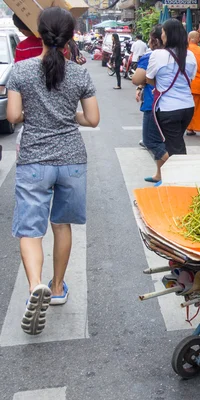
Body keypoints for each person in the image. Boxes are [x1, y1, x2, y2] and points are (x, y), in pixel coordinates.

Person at [6, 7, 99, 335]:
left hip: (34, 160)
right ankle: (57, 287)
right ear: (70, 36)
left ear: (39, 33)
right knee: (62, 226)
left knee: (30, 230)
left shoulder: (20, 69)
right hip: (72, 161)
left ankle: (35, 287)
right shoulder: (79, 74)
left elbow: (14, 116)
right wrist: (67, 116)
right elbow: (92, 119)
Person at [146, 19, 197, 180]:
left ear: (168, 35)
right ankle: (172, 177)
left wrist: (161, 84)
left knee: (175, 146)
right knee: (175, 141)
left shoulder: (158, 55)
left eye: (163, 33)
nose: (161, 36)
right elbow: (191, 77)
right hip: (188, 107)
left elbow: (149, 78)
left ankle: (181, 181)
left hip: (168, 108)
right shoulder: (190, 55)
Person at [133, 25, 168, 183]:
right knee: (163, 141)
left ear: (155, 40)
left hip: (153, 103)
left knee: (150, 140)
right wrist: (142, 85)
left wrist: (141, 83)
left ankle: (174, 170)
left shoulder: (151, 56)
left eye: (150, 38)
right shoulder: (177, 55)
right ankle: (160, 174)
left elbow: (136, 78)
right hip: (172, 104)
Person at [184, 31, 200, 136]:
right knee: (197, 107)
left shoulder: (184, 51)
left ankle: (188, 128)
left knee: (187, 107)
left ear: (188, 39)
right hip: (199, 83)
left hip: (186, 83)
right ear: (198, 39)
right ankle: (194, 127)